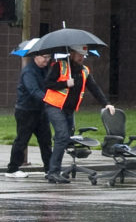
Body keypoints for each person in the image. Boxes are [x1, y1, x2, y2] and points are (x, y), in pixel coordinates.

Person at [42, 45, 115, 183]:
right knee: (62, 136)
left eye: (83, 55)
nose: (82, 57)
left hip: (69, 109)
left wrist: (106, 103)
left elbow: (94, 88)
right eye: (79, 54)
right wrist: (65, 83)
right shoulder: (60, 66)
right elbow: (47, 84)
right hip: (55, 106)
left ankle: (54, 170)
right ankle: (53, 172)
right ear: (71, 54)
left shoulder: (84, 70)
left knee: (64, 138)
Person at [7, 52, 53, 178]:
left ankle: (50, 169)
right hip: (26, 110)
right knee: (22, 140)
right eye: (44, 57)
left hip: (40, 110)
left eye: (49, 57)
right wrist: (49, 100)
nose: (47, 60)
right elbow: (34, 90)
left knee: (46, 140)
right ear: (36, 57)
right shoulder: (29, 71)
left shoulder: (46, 70)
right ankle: (12, 169)